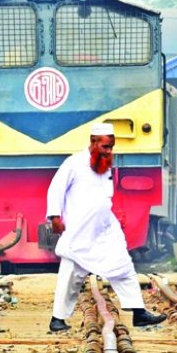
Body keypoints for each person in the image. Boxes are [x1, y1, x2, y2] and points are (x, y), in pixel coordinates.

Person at [47, 123, 166, 332]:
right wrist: (54, 217)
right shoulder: (73, 164)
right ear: (93, 143)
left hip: (105, 229)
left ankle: (139, 312)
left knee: (123, 266)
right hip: (79, 231)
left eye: (111, 147)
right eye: (105, 147)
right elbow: (55, 190)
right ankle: (58, 318)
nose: (109, 151)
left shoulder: (104, 166)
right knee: (70, 275)